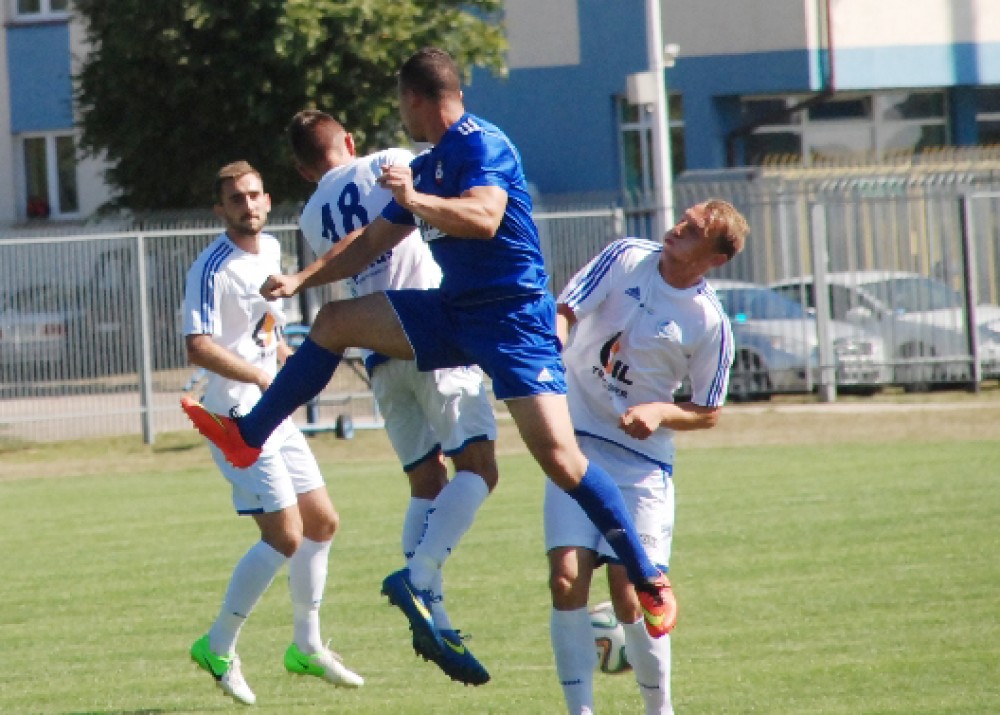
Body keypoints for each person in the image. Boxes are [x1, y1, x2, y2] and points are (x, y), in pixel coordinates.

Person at [181, 48, 675, 675]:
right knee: (333, 323)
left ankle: (647, 576)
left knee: (560, 460)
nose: (398, 114)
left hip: (512, 318)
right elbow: (370, 240)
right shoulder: (425, 163)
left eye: (399, 102)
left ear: (416, 99)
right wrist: (303, 279)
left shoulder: (480, 143)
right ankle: (250, 434)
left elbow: (485, 217)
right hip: (452, 308)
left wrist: (414, 198)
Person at [284, 109, 499, 685]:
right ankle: (418, 578)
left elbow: (354, 255)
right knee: (479, 466)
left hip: (377, 351)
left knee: (426, 482)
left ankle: (438, 621)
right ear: (349, 141)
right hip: (427, 326)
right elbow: (425, 215)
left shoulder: (309, 214)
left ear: (304, 170)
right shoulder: (391, 161)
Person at [546, 200, 748, 715]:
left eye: (694, 229)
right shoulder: (626, 256)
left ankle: (660, 710)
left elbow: (708, 411)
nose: (677, 228)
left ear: (715, 257)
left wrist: (659, 411)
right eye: (684, 218)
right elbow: (566, 309)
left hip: (640, 465)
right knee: (566, 578)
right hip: (576, 443)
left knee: (629, 591)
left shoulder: (709, 321)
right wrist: (551, 349)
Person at [182, 161, 363, 706]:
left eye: (255, 195)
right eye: (236, 198)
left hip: (274, 410)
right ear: (220, 208)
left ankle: (306, 645)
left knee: (322, 522)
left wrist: (283, 356)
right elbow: (198, 345)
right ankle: (218, 646)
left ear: (266, 199)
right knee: (284, 536)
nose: (248, 205)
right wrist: (261, 376)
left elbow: (265, 330)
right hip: (238, 418)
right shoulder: (212, 268)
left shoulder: (273, 250)